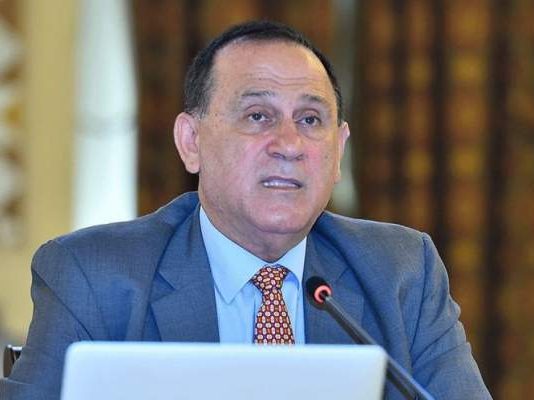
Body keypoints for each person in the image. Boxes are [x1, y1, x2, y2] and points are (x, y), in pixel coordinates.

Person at [0, 21, 491, 399]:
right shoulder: (94, 276)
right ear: (191, 142)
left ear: (339, 150)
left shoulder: (401, 272)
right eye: (258, 116)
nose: (289, 144)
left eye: (310, 119)